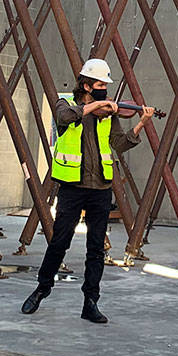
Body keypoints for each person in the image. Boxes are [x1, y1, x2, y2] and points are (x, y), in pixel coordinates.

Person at [20, 57, 155, 324]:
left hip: (101, 189)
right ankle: (42, 289)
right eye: (100, 84)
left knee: (96, 249)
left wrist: (141, 124)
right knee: (60, 242)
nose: (105, 89)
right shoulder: (66, 105)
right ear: (87, 85)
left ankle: (90, 302)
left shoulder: (108, 116)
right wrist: (94, 107)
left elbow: (120, 144)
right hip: (72, 188)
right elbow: (63, 117)